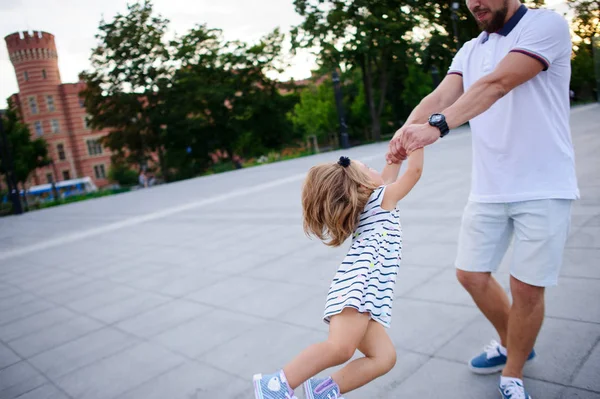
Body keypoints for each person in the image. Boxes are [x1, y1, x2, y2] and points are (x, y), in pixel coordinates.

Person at [386, 1, 579, 398]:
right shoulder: (471, 49)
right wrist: (404, 132)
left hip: (544, 185)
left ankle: (513, 372)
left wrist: (437, 128)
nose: (475, 3)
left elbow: (498, 84)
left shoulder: (546, 26)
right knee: (470, 275)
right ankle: (517, 344)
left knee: (526, 288)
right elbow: (441, 96)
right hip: (489, 187)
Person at [253, 150, 424, 399]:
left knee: (384, 357)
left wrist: (395, 157)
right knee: (340, 348)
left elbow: (386, 177)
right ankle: (276, 385)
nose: (376, 169)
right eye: (368, 167)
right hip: (358, 289)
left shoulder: (372, 202)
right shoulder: (382, 199)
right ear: (363, 184)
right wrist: (417, 145)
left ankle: (323, 391)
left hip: (366, 294)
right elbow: (414, 173)